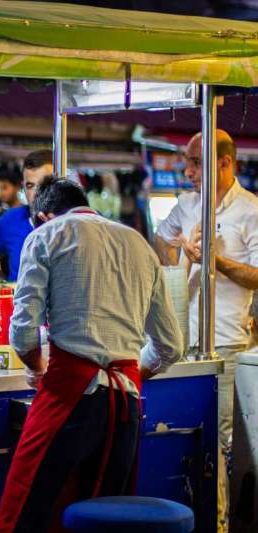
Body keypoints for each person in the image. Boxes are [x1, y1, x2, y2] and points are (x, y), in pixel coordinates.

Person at [0, 177, 183, 533]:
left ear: (44, 216)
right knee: (106, 516)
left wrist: (36, 368)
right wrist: (128, 372)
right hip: (125, 407)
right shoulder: (139, 244)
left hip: (69, 399)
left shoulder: (46, 236)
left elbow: (22, 333)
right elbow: (170, 345)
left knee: (27, 508)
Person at [154, 129, 258, 530]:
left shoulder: (250, 210)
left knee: (223, 442)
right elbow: (160, 244)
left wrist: (218, 261)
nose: (188, 170)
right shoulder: (186, 204)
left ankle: (223, 524)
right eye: (187, 161)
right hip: (186, 341)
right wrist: (182, 248)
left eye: (196, 162)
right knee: (193, 441)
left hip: (229, 344)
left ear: (225, 163)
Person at [0, 150, 53, 281]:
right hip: (20, 300)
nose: (36, 193)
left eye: (43, 184)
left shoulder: (78, 221)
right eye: (30, 185)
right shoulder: (11, 220)